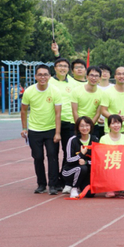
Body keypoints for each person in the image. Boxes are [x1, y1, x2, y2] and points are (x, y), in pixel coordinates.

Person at [21, 65, 62, 195]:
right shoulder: (29, 91)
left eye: (45, 74)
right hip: (34, 130)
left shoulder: (55, 91)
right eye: (40, 74)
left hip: (51, 129)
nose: (42, 77)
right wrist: (24, 128)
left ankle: (53, 185)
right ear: (35, 77)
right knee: (38, 157)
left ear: (49, 76)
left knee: (52, 157)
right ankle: (41, 184)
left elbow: (58, 113)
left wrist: (57, 133)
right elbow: (23, 110)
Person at [49, 57, 84, 188]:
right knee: (53, 153)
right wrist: (56, 53)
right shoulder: (49, 81)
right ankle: (53, 182)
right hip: (53, 122)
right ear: (55, 68)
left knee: (67, 152)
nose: (62, 68)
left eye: (65, 66)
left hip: (69, 122)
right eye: (59, 66)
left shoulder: (74, 83)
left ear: (69, 69)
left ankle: (64, 178)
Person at [61, 116, 98, 198]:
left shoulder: (94, 139)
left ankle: (81, 185)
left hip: (86, 171)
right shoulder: (72, 140)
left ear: (91, 126)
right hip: (70, 170)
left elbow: (97, 160)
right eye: (82, 126)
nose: (85, 128)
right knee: (81, 168)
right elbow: (69, 160)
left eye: (87, 125)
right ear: (78, 127)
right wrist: (81, 155)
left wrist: (86, 162)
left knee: (90, 194)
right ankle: (74, 188)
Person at [99, 66, 124, 137]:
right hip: (110, 129)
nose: (121, 76)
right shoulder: (107, 92)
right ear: (115, 77)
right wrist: (115, 118)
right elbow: (103, 111)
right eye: (119, 74)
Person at [99, 114, 124, 198]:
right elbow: (102, 154)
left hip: (122, 163)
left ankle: (119, 186)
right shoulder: (103, 138)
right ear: (109, 125)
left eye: (118, 123)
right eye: (113, 123)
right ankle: (110, 187)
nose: (116, 125)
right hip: (109, 164)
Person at [71, 66, 105, 139]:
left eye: (96, 76)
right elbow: (74, 111)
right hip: (77, 124)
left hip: (93, 126)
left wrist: (89, 127)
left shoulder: (102, 94)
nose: (94, 78)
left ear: (100, 78)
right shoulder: (76, 91)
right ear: (87, 77)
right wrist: (80, 126)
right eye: (91, 75)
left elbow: (98, 113)